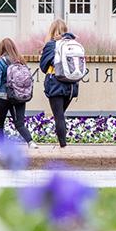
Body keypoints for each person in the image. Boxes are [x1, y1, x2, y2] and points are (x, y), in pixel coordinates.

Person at [0, 38, 39, 149]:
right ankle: (31, 142)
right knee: (20, 123)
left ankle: (1, 147)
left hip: (2, 97)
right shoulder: (20, 60)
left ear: (1, 48)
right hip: (19, 96)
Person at [39, 19, 79, 149]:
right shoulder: (73, 43)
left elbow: (44, 66)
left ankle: (63, 146)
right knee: (61, 115)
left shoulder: (52, 45)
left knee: (59, 117)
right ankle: (62, 143)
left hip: (55, 84)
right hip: (72, 85)